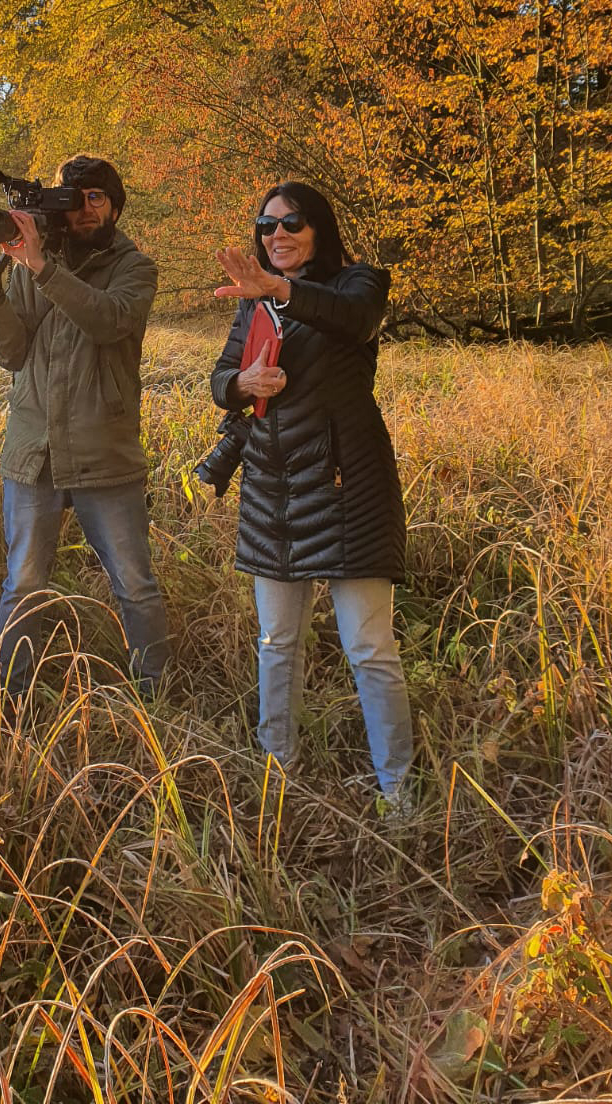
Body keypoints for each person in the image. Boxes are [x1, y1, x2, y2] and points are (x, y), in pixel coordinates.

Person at [208, 181, 413, 806]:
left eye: (292, 222)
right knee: (276, 643)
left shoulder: (358, 284)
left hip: (346, 486)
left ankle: (399, 792)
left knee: (369, 647)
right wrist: (241, 382)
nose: (278, 236)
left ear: (318, 227)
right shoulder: (251, 304)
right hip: (271, 490)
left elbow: (353, 320)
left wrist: (278, 290)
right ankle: (281, 770)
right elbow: (221, 377)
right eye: (266, 227)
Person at [0, 155, 171, 700]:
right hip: (35, 451)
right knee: (24, 583)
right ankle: (11, 696)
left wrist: (41, 269)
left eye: (95, 198)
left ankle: (155, 696)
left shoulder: (135, 267)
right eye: (72, 197)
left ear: (116, 207)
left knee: (134, 584)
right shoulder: (36, 262)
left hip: (105, 450)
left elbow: (108, 321)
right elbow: (11, 354)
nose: (82, 209)